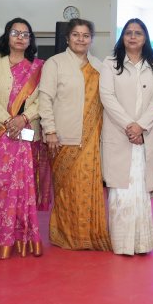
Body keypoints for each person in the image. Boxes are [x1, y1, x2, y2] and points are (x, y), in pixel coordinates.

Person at [0, 18, 46, 259]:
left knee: (20, 189)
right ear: (7, 36)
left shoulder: (38, 68)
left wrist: (23, 118)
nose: (20, 37)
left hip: (24, 135)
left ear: (31, 39)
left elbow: (44, 99)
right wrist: (7, 120)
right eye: (15, 32)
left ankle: (19, 238)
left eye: (25, 34)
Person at [39, 18, 111, 251]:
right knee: (66, 190)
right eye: (76, 35)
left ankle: (89, 235)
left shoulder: (99, 66)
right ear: (68, 38)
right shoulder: (55, 63)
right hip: (63, 137)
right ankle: (65, 234)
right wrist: (50, 130)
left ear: (91, 39)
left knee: (88, 189)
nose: (81, 39)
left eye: (86, 35)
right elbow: (45, 99)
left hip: (92, 138)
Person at [100, 19, 153, 255]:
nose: (133, 36)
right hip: (120, 134)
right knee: (121, 190)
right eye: (128, 32)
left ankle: (141, 243)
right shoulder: (110, 64)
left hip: (144, 136)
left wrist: (141, 127)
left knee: (140, 188)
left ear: (145, 38)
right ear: (123, 37)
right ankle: (121, 243)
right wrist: (130, 126)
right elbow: (107, 96)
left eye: (138, 33)